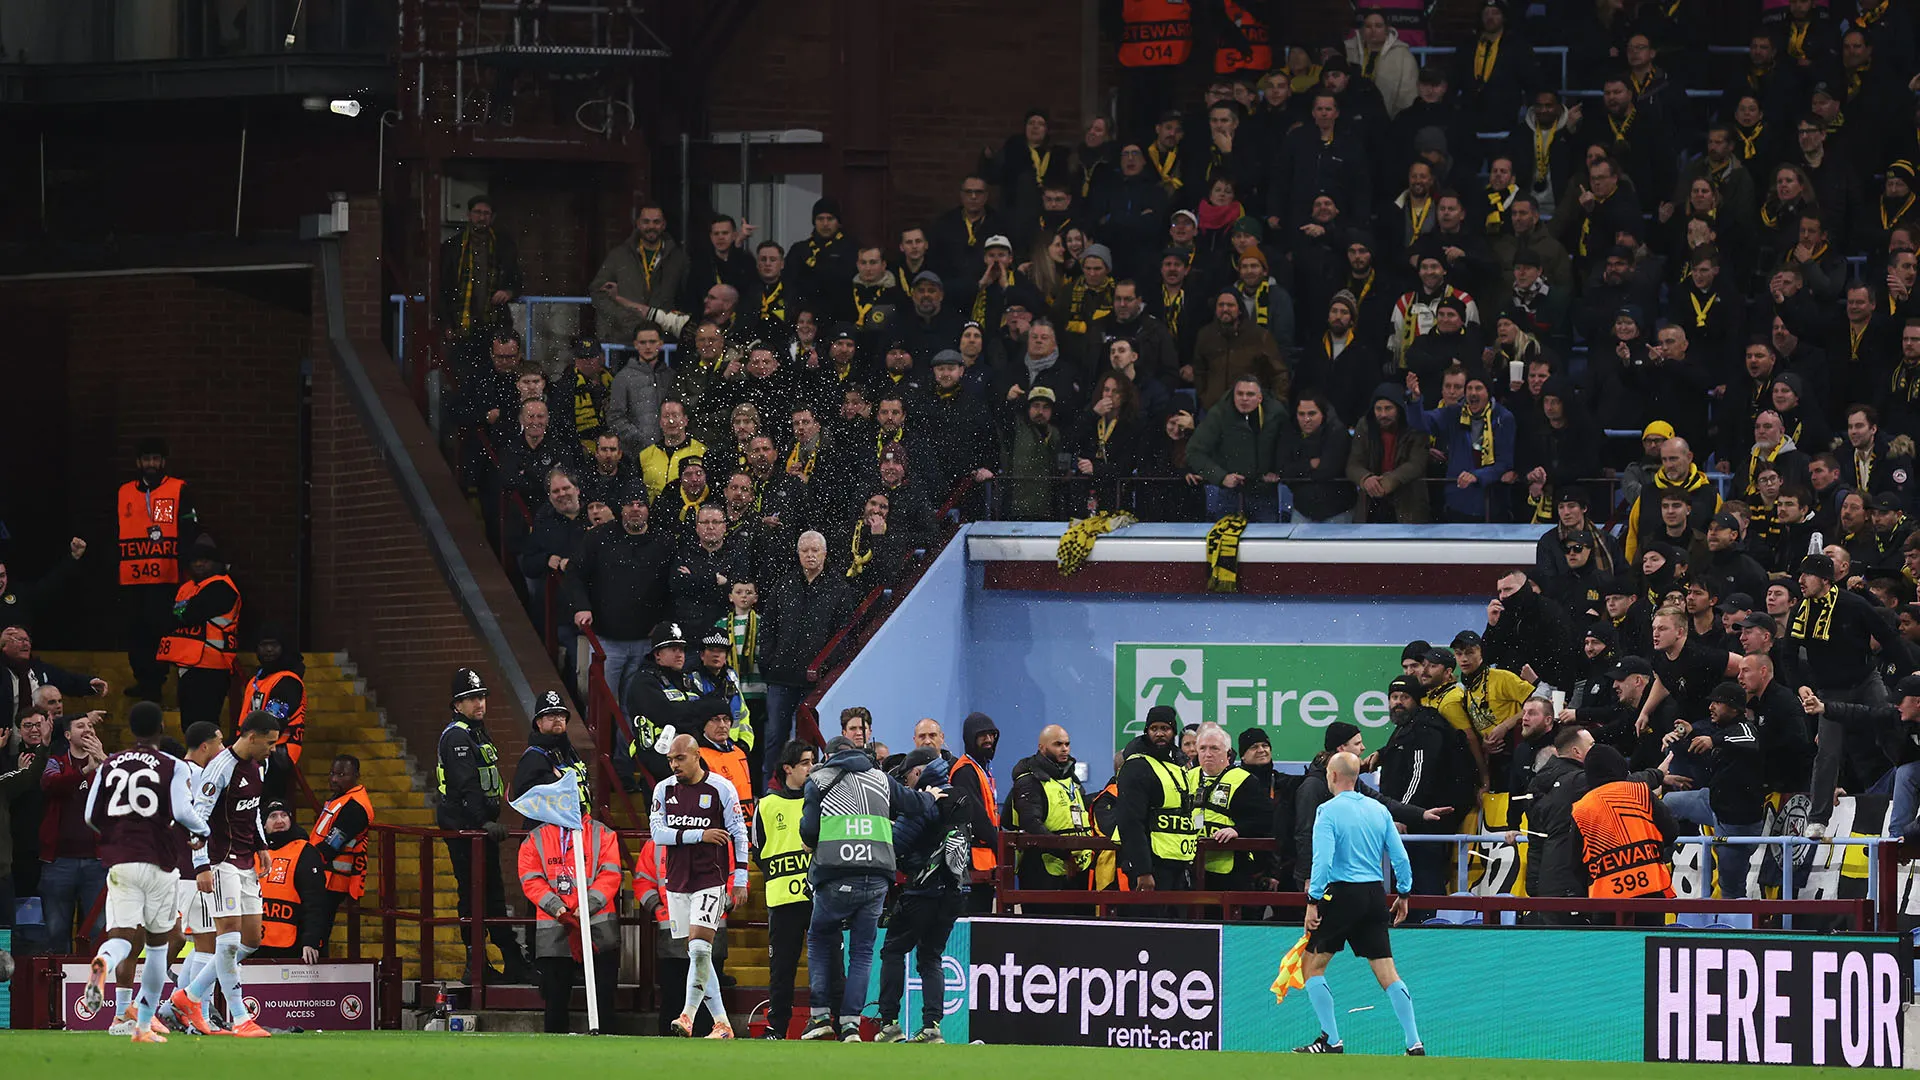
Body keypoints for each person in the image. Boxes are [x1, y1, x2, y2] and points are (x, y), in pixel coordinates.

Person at [79, 701, 209, 1044]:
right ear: (161, 728)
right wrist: (203, 832)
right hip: (160, 863)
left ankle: (104, 961)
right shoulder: (173, 764)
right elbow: (183, 811)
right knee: (156, 947)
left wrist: (116, 836)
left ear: (130, 729)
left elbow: (90, 816)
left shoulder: (110, 764)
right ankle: (143, 1027)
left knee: (121, 939)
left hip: (121, 861)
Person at [799, 734, 936, 1042]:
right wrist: (932, 796)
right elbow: (914, 804)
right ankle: (851, 1024)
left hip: (835, 874)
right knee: (862, 951)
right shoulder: (880, 778)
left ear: (828, 757)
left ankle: (820, 1017)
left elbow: (809, 830)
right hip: (877, 875)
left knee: (820, 938)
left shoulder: (818, 780)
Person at [1293, 751, 1424, 1057]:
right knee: (1388, 973)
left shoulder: (1327, 811)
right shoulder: (1378, 810)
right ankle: (1414, 1043)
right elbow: (1400, 857)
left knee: (1311, 966)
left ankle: (1331, 1040)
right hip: (1375, 894)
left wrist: (1313, 901)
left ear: (1333, 776)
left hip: (1342, 894)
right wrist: (1404, 894)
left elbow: (1322, 861)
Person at [167, 709, 281, 1038]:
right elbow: (197, 818)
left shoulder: (259, 766)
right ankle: (240, 1017)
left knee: (251, 940)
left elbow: (253, 808)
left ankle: (188, 996)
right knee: (227, 939)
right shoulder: (219, 768)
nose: (273, 749)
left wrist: (261, 845)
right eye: (269, 743)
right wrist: (201, 865)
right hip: (220, 862)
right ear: (251, 737)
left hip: (246, 860)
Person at [432, 667, 538, 983]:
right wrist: (483, 822)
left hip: (479, 829)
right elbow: (466, 785)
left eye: (481, 697)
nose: (479, 703)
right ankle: (476, 964)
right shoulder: (458, 736)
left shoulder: (476, 731)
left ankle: (508, 959)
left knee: (491, 894)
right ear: (457, 704)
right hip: (466, 829)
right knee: (473, 894)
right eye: (471, 698)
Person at [875, 748, 968, 1044]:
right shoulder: (960, 796)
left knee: (893, 950)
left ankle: (889, 1024)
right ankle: (932, 1027)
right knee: (931, 957)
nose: (906, 784)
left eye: (907, 777)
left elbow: (896, 845)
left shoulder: (924, 800)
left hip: (922, 890)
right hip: (953, 892)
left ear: (918, 771)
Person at [519, 780, 622, 1035]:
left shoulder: (603, 835)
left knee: (604, 997)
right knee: (554, 999)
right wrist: (559, 909)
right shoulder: (535, 838)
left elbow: (611, 874)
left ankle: (607, 1050)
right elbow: (530, 879)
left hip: (598, 929)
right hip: (555, 928)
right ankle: (554, 1052)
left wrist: (586, 907)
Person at [759, 532, 857, 784]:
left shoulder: (838, 588)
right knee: (775, 737)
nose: (810, 555)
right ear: (798, 554)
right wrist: (768, 661)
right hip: (780, 676)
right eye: (805, 550)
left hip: (815, 679)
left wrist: (825, 667)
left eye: (815, 550)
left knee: (808, 740)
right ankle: (771, 789)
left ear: (825, 554)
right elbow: (768, 625)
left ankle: (810, 788)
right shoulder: (784, 585)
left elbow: (844, 634)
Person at [119, 437, 200, 702]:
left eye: (156, 459)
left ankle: (155, 683)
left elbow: (188, 532)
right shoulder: (124, 492)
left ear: (163, 462)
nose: (151, 464)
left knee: (158, 628)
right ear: (138, 462)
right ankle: (143, 680)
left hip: (165, 577)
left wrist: (186, 569)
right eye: (146, 459)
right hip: (132, 577)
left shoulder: (176, 489)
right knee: (135, 631)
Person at [752, 741, 818, 1039]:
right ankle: (777, 1027)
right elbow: (758, 850)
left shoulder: (820, 802)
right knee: (781, 969)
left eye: (813, 761)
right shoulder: (767, 805)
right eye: (805, 763)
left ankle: (831, 1022)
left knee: (827, 966)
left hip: (818, 897)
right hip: (782, 899)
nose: (811, 768)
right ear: (788, 768)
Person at [622, 621, 734, 791]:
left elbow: (710, 710)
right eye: (673, 649)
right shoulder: (644, 682)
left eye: (681, 649)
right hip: (658, 753)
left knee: (729, 762)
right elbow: (667, 715)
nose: (680, 654)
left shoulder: (686, 680)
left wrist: (697, 711)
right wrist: (699, 709)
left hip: (690, 748)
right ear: (658, 654)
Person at [1569, 744, 1677, 916]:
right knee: (1648, 933)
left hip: (1606, 899)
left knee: (1612, 935)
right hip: (1650, 890)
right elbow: (1671, 831)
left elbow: (1576, 863)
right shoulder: (1640, 792)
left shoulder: (1582, 808)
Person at [156, 538, 240, 732]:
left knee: (205, 727)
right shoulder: (188, 587)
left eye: (205, 560)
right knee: (190, 726)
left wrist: (180, 614)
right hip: (188, 664)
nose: (199, 564)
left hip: (211, 665)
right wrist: (180, 615)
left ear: (217, 563)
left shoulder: (222, 587)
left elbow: (191, 614)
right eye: (195, 560)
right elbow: (171, 617)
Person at [1115, 705, 1197, 898]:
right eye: (1154, 728)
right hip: (1153, 867)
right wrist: (1143, 870)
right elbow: (1131, 822)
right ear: (1146, 731)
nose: (1159, 733)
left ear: (1174, 732)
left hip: (1179, 864)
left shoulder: (1178, 766)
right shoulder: (1137, 766)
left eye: (1165, 728)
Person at [1006, 724, 1092, 897]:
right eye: (1058, 744)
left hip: (1079, 868)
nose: (1064, 749)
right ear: (1042, 747)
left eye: (1067, 744)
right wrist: (1066, 853)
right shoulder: (1029, 781)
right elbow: (1031, 824)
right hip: (1043, 871)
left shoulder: (1071, 778)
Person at [1189, 721, 1271, 890]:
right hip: (1191, 865)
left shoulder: (1244, 780)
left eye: (1214, 748)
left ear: (1228, 753)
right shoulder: (1187, 777)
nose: (1208, 754)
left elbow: (1264, 819)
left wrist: (1237, 830)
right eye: (1202, 748)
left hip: (1231, 869)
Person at [252, 802, 330, 963]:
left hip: (292, 947)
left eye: (284, 815)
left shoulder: (305, 852)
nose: (280, 820)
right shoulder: (251, 852)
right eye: (273, 816)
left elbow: (315, 901)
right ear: (263, 824)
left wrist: (311, 940)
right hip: (252, 944)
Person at [308, 754, 372, 950]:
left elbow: (332, 845)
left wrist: (303, 861)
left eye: (342, 775)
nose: (334, 779)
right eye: (332, 773)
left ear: (356, 776)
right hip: (322, 874)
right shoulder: (341, 797)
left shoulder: (355, 807)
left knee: (318, 933)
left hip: (332, 879)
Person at [243, 624, 305, 802]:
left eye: (274, 645)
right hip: (254, 749)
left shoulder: (288, 681)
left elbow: (274, 720)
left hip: (277, 754)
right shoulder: (258, 679)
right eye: (264, 645)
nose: (269, 650)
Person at [948, 711, 1002, 912]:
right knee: (972, 919)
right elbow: (977, 817)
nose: (988, 739)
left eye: (991, 735)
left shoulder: (981, 769)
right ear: (970, 738)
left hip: (984, 860)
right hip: (971, 862)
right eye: (982, 735)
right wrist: (999, 844)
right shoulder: (965, 771)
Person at [512, 690, 589, 810]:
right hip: (549, 822)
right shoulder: (534, 756)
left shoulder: (570, 751)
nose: (557, 719)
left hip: (578, 820)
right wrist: (554, 782)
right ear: (539, 723)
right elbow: (523, 796)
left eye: (561, 716)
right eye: (551, 716)